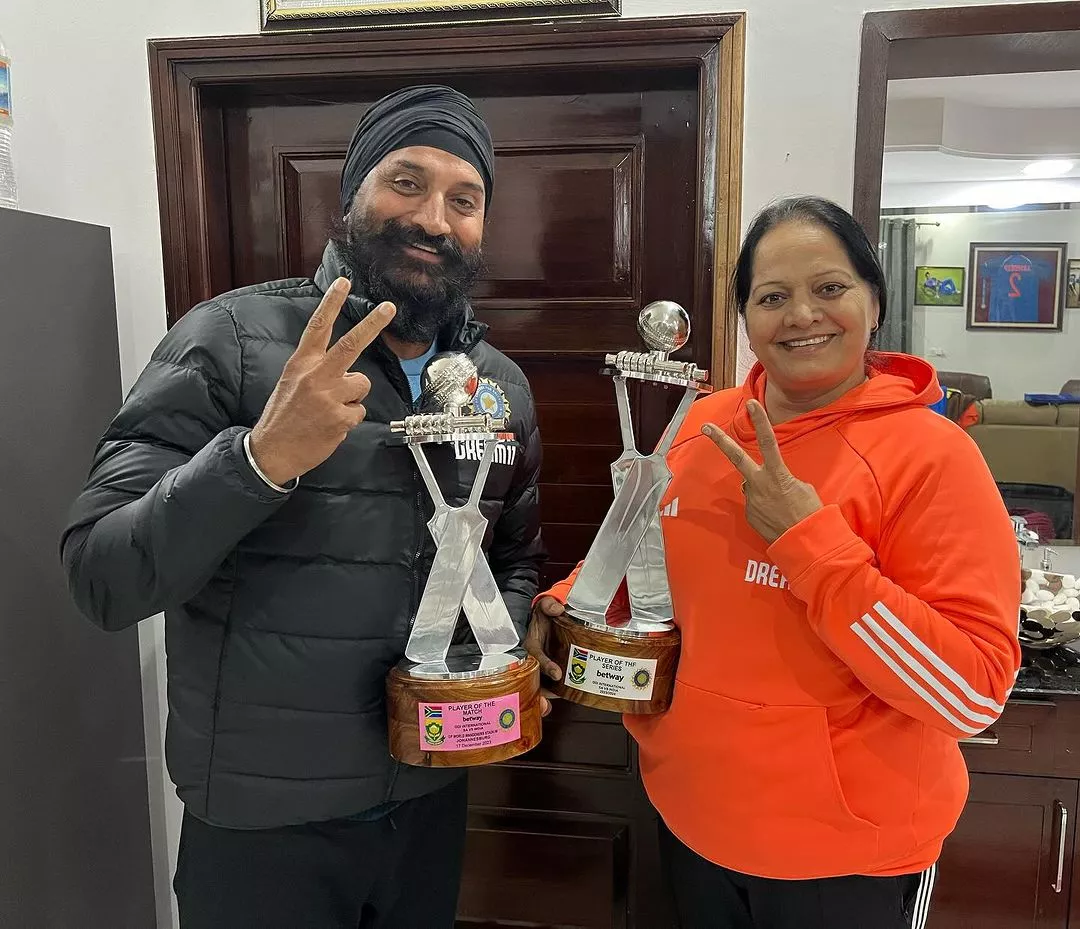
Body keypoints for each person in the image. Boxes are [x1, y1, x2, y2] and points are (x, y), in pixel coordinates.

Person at [61, 85, 544, 929]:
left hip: (429, 799)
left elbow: (516, 558)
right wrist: (259, 459)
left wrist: (485, 655)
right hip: (262, 828)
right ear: (351, 193)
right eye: (406, 182)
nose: (434, 219)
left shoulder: (498, 386)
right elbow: (102, 576)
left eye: (464, 200)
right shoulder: (227, 341)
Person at [527, 197, 1021, 929]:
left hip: (849, 857)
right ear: (746, 319)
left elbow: (970, 694)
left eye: (830, 287)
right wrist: (572, 601)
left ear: (874, 301)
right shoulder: (701, 423)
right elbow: (647, 557)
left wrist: (810, 545)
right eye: (772, 297)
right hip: (691, 818)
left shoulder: (934, 456)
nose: (802, 316)